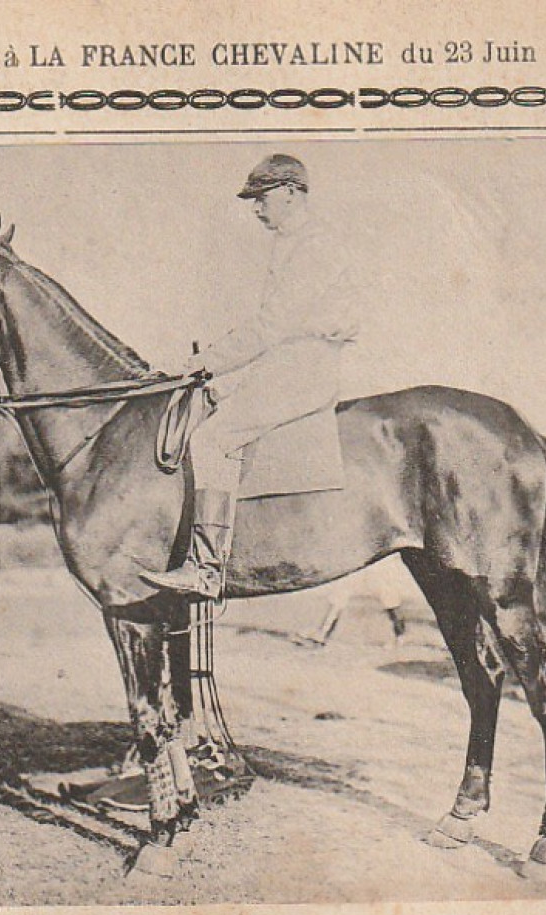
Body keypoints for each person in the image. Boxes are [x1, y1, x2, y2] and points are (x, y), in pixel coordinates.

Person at [140, 154, 362, 599]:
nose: (256, 208)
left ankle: (206, 567)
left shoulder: (314, 245)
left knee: (211, 439)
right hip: (286, 361)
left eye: (261, 198)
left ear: (290, 193)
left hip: (303, 365)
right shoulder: (295, 242)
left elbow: (269, 327)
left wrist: (207, 363)